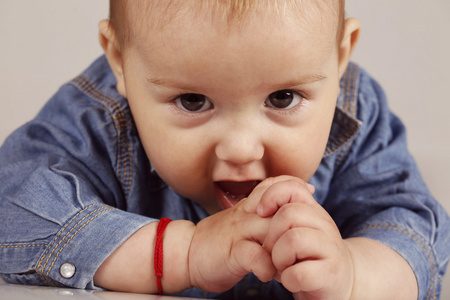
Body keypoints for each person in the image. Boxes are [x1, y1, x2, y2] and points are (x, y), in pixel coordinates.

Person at [0, 0, 448, 299]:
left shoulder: (355, 108)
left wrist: (353, 275)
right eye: (193, 101)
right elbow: (12, 210)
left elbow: (414, 228)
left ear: (340, 54)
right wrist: (185, 252)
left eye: (282, 98)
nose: (240, 148)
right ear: (120, 61)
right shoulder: (97, 118)